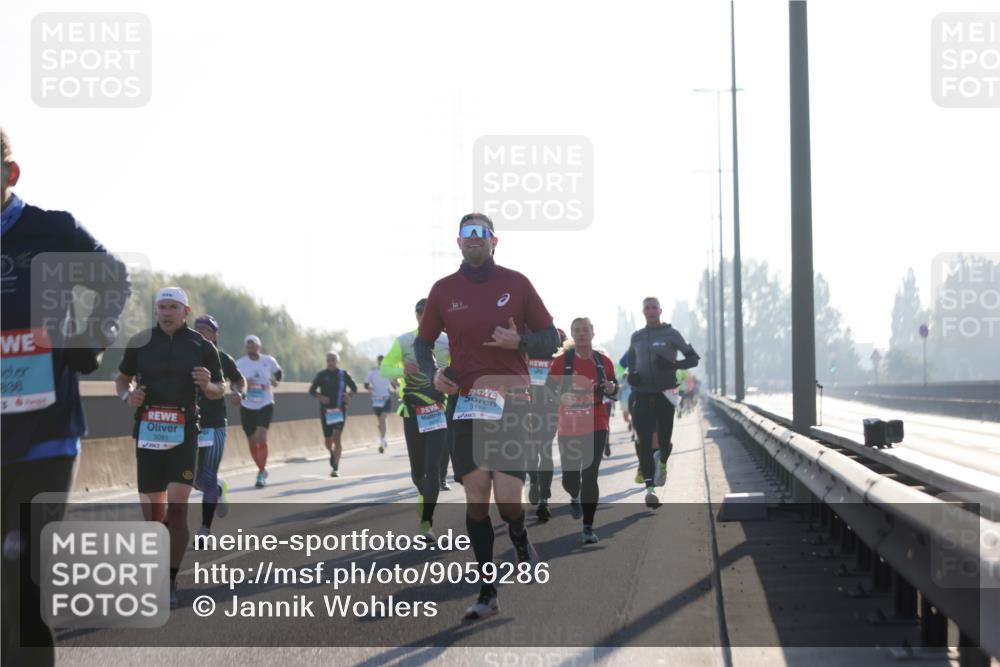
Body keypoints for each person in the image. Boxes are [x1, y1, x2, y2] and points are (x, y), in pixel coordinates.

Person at [1, 127, 131, 666]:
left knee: (24, 575)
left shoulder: (51, 231)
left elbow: (114, 279)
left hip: (47, 432)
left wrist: (92, 338)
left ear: (10, 174)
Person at [416, 212, 560, 620]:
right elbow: (423, 345)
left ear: (494, 241)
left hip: (512, 399)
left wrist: (521, 341)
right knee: (477, 495)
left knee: (509, 500)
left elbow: (552, 338)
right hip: (467, 403)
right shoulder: (443, 290)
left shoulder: (517, 283)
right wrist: (435, 374)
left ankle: (519, 536)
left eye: (482, 232)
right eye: (467, 232)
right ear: (458, 241)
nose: (474, 237)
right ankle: (487, 591)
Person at [115, 287, 225, 608]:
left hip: (185, 432)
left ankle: (170, 582)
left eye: (172, 307)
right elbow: (122, 380)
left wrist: (208, 384)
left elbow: (220, 388)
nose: (165, 312)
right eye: (161, 307)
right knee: (154, 516)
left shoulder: (202, 345)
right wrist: (128, 395)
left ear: (185, 311)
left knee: (177, 509)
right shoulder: (140, 342)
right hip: (148, 430)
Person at [381, 298, 452, 539]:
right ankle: (425, 496)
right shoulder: (404, 341)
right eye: (421, 315)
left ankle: (426, 523)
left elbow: (461, 367)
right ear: (416, 316)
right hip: (412, 412)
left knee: (433, 468)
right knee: (417, 474)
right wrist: (403, 370)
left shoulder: (447, 341)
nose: (425, 319)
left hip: (437, 410)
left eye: (429, 314)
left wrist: (449, 376)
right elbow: (385, 369)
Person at [623, 297, 700, 508]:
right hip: (642, 393)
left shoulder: (671, 334)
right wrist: (632, 374)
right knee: (644, 440)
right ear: (643, 311)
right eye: (647, 308)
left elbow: (693, 359)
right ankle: (650, 489)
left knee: (664, 441)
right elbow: (630, 360)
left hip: (667, 392)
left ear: (660, 310)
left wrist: (673, 365)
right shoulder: (637, 336)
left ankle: (662, 460)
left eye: (654, 307)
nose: (651, 311)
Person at [546, 317, 617, 543]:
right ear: (573, 334)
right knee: (570, 479)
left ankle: (588, 526)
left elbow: (614, 388)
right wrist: (560, 396)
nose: (581, 334)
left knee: (590, 474)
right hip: (570, 423)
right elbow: (548, 390)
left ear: (592, 333)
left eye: (585, 330)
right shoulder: (561, 362)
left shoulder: (603, 361)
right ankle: (574, 495)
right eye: (577, 331)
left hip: (597, 420)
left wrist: (611, 388)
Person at [192, 315, 245, 537]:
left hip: (214, 424)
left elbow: (239, 380)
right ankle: (218, 488)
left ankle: (205, 529)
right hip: (189, 424)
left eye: (205, 329)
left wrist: (239, 392)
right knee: (195, 481)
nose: (200, 332)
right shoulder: (185, 356)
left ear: (214, 334)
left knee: (208, 474)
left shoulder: (223, 358)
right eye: (197, 328)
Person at [524, 328, 566, 522]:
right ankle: (534, 480)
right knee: (532, 450)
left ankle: (544, 498)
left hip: (549, 407)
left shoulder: (557, 356)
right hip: (526, 406)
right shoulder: (524, 350)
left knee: (545, 449)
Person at [236, 335, 282, 488]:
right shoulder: (240, 364)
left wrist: (276, 381)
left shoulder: (268, 360)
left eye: (253, 345)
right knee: (252, 441)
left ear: (258, 346)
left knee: (262, 436)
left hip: (265, 403)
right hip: (247, 405)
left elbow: (278, 372)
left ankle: (261, 473)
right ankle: (261, 469)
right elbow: (233, 384)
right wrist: (243, 385)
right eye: (248, 345)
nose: (250, 348)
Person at [308, 352, 358, 477]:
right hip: (326, 411)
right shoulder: (321, 375)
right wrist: (321, 397)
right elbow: (312, 390)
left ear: (337, 361)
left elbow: (354, 388)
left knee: (337, 437)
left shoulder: (343, 374)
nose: (330, 362)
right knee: (328, 441)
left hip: (340, 410)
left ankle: (336, 467)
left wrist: (349, 395)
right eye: (328, 360)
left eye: (333, 360)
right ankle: (331, 452)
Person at [364, 355, 395, 453]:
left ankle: (381, 442)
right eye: (380, 361)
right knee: (380, 422)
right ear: (377, 362)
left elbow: (394, 385)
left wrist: (395, 384)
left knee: (382, 419)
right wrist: (370, 388)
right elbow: (366, 384)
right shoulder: (372, 372)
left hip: (386, 399)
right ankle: (383, 438)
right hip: (376, 400)